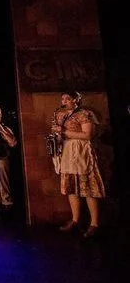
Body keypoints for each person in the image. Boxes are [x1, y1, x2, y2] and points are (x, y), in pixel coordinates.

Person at [51, 90, 106, 238]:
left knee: (88, 186)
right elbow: (61, 134)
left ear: (76, 99)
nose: (64, 102)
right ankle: (75, 220)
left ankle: (94, 224)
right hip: (68, 151)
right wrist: (57, 136)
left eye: (67, 99)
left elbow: (87, 135)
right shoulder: (61, 114)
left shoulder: (85, 114)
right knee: (71, 187)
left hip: (81, 150)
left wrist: (64, 132)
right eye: (63, 99)